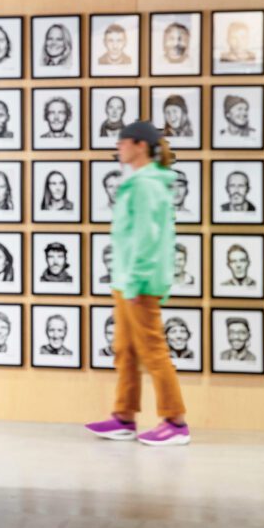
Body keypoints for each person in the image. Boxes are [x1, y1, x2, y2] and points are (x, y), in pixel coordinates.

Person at [85, 120, 191, 446]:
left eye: (122, 143)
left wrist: (134, 281)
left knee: (153, 351)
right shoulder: (141, 181)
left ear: (139, 145)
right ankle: (124, 416)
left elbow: (147, 239)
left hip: (138, 282)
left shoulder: (146, 184)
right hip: (127, 280)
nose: (118, 148)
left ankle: (175, 421)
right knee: (126, 351)